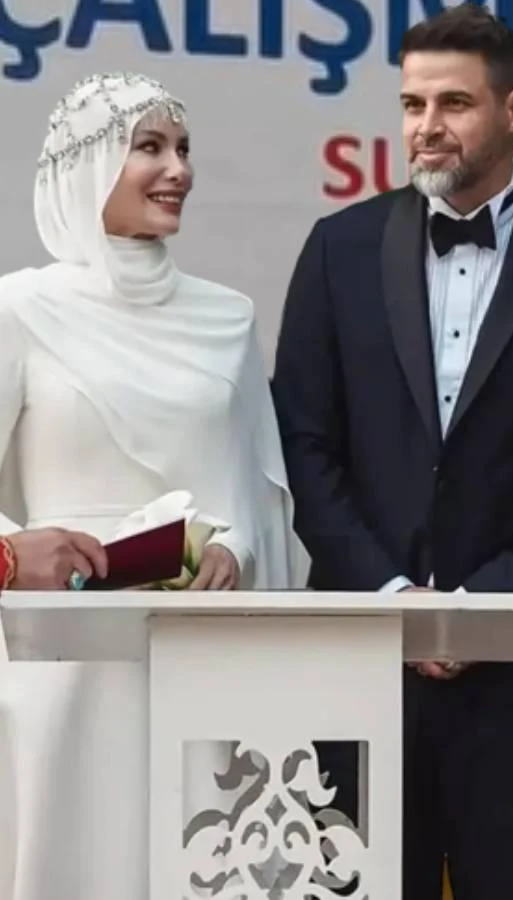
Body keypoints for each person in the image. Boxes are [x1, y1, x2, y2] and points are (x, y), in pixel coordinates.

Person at [271, 5, 513, 899]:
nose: (427, 126)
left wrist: (482, 612)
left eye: (454, 103)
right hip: (362, 660)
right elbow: (304, 445)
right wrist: (394, 599)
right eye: (412, 104)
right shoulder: (337, 249)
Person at [0, 72, 303, 900]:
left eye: (184, 149)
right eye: (150, 147)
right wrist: (14, 554)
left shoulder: (228, 317)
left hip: (203, 654)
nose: (179, 170)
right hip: (62, 663)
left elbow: (258, 495)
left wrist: (234, 550)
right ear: (87, 165)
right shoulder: (19, 308)